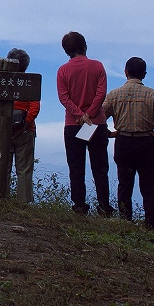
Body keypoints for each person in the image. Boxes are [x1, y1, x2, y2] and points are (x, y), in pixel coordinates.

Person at [103, 57, 154, 230]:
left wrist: (110, 133)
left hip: (123, 142)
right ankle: (151, 224)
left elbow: (99, 116)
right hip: (145, 142)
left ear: (126, 72)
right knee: (149, 185)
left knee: (124, 183)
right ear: (144, 74)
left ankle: (125, 221)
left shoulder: (114, 94)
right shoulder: (152, 94)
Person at [56, 31, 115, 216]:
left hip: (73, 125)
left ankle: (80, 206)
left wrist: (80, 115)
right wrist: (89, 114)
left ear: (66, 50)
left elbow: (63, 98)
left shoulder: (63, 71)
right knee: (100, 167)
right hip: (96, 123)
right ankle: (104, 207)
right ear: (85, 46)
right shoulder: (97, 66)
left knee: (76, 167)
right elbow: (101, 93)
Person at [5, 48, 40, 204]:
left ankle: (0, 200)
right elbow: (35, 107)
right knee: (24, 170)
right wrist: (25, 125)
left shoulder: (1, 82)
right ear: (26, 65)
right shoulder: (29, 84)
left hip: (3, 131)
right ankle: (23, 204)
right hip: (26, 132)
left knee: (2, 169)